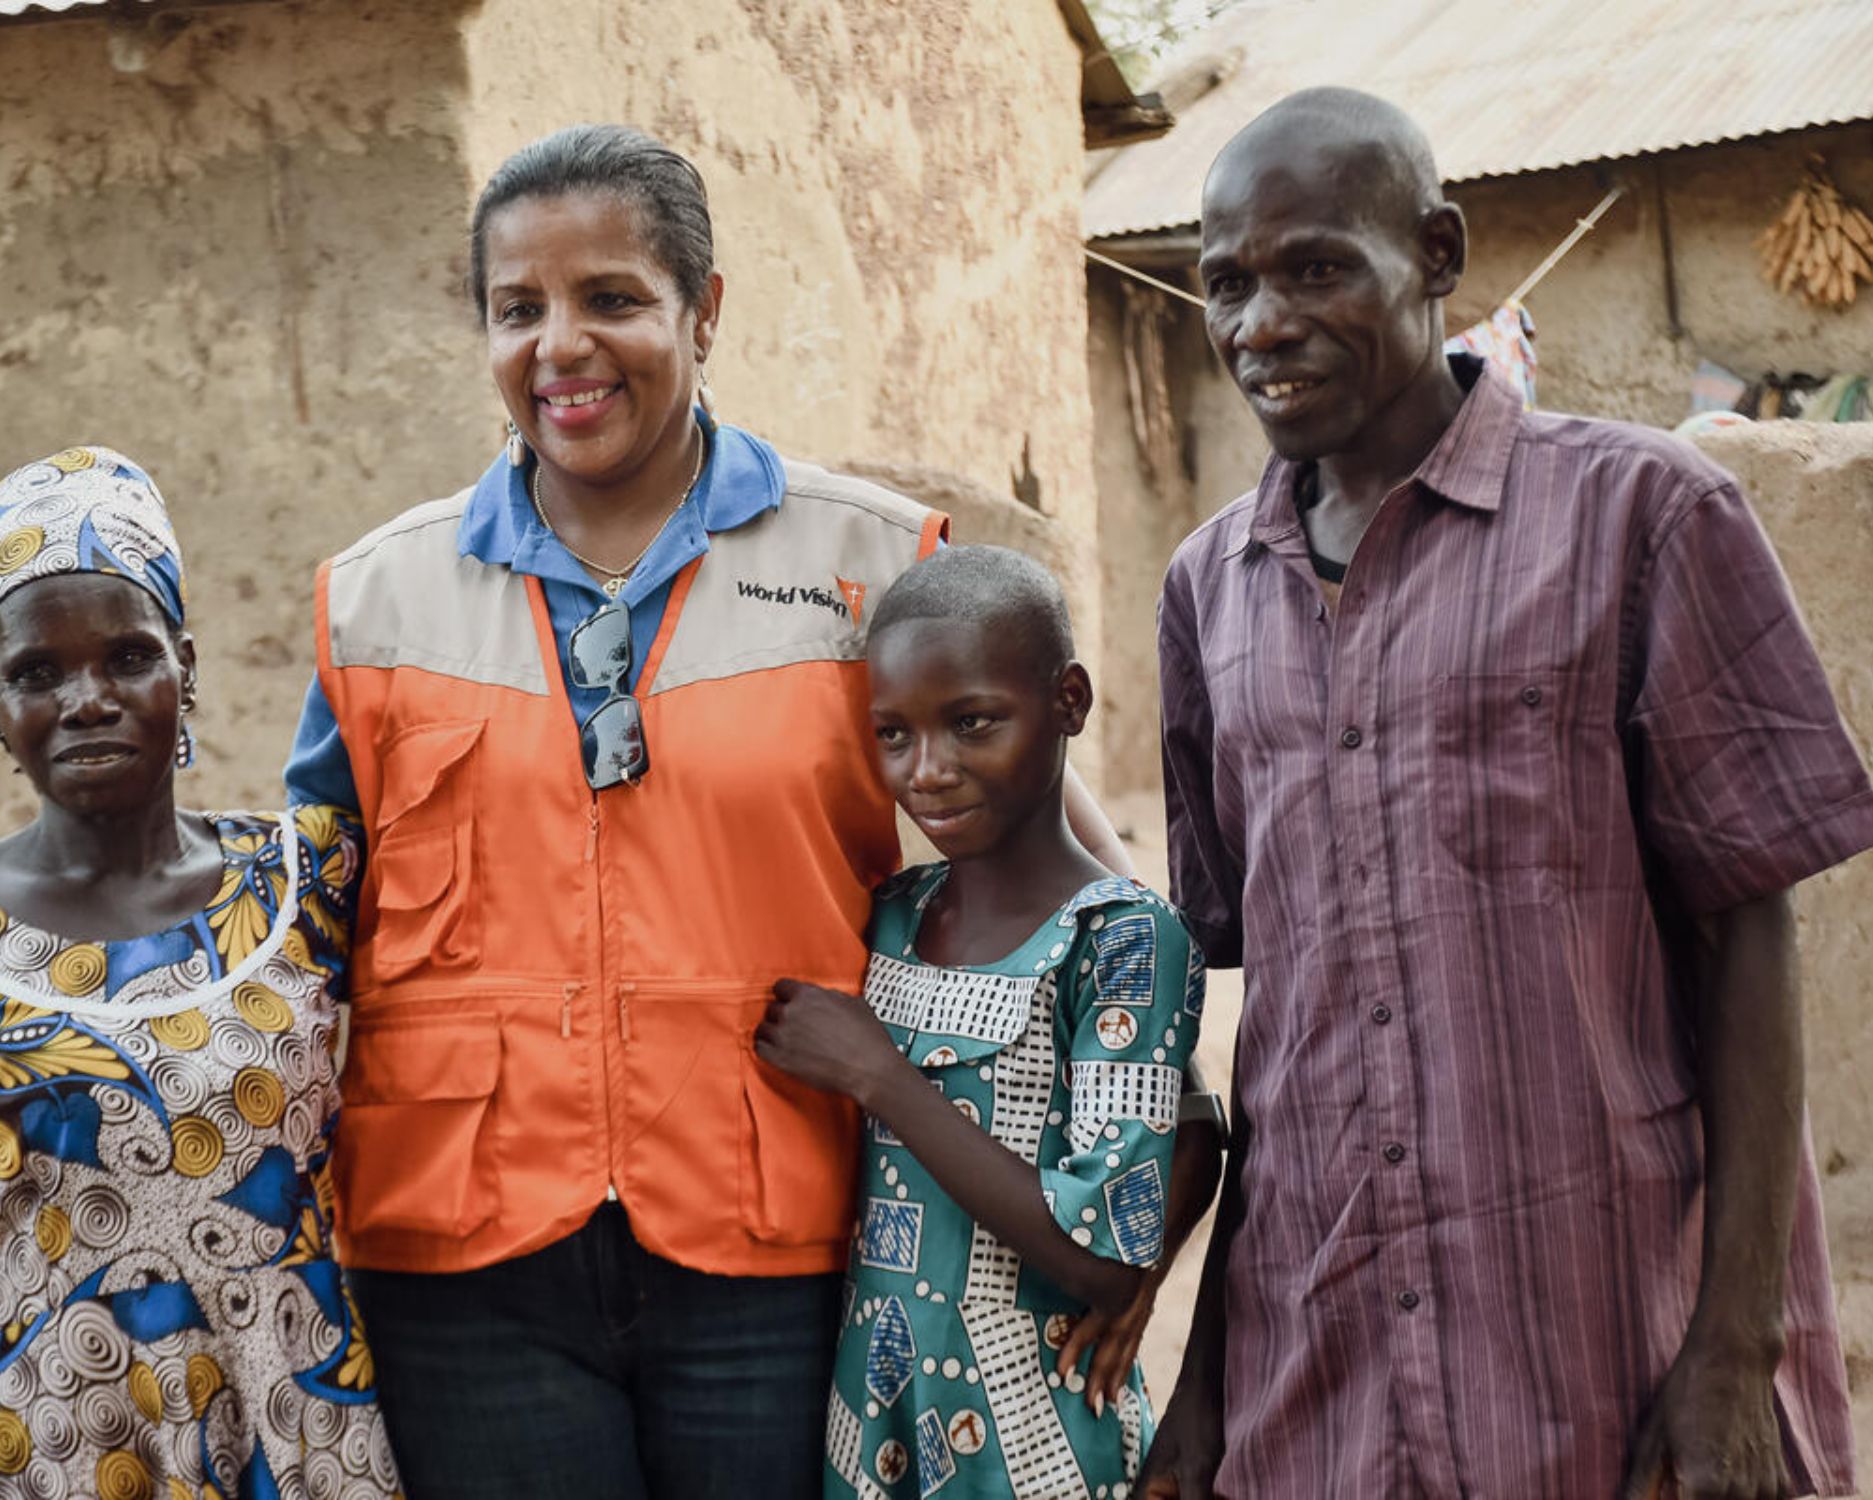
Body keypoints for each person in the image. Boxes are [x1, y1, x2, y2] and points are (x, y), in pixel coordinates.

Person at [286, 124, 1217, 1498]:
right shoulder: (376, 600)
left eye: (612, 299)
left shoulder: (866, 563)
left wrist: (1153, 1194)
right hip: (463, 1263)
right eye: (516, 308)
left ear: (703, 310)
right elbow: (292, 954)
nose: (561, 347)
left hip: (779, 1235)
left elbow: (1087, 907)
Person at [1145, 87, 1873, 1499]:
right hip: (1323, 1359)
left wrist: (1736, 1354)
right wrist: (1204, 1378)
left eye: (1315, 268)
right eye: (1224, 284)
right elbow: (1276, 1029)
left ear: (1436, 253)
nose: (1259, 326)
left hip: (1596, 1334)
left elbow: (1746, 937)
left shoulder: (1645, 518)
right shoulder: (1202, 593)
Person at [0, 447, 402, 1500]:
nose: (87, 699)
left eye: (127, 656)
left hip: (302, 1449)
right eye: (36, 672)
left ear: (185, 667)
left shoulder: (309, 880)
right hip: (52, 1455)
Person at [757, 545, 1211, 1499]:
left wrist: (883, 1079)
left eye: (972, 724)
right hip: (871, 1412)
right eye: (893, 735)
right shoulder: (890, 913)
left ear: (1069, 704)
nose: (928, 771)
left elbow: (1100, 1259)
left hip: (1039, 1428)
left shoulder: (1123, 938)